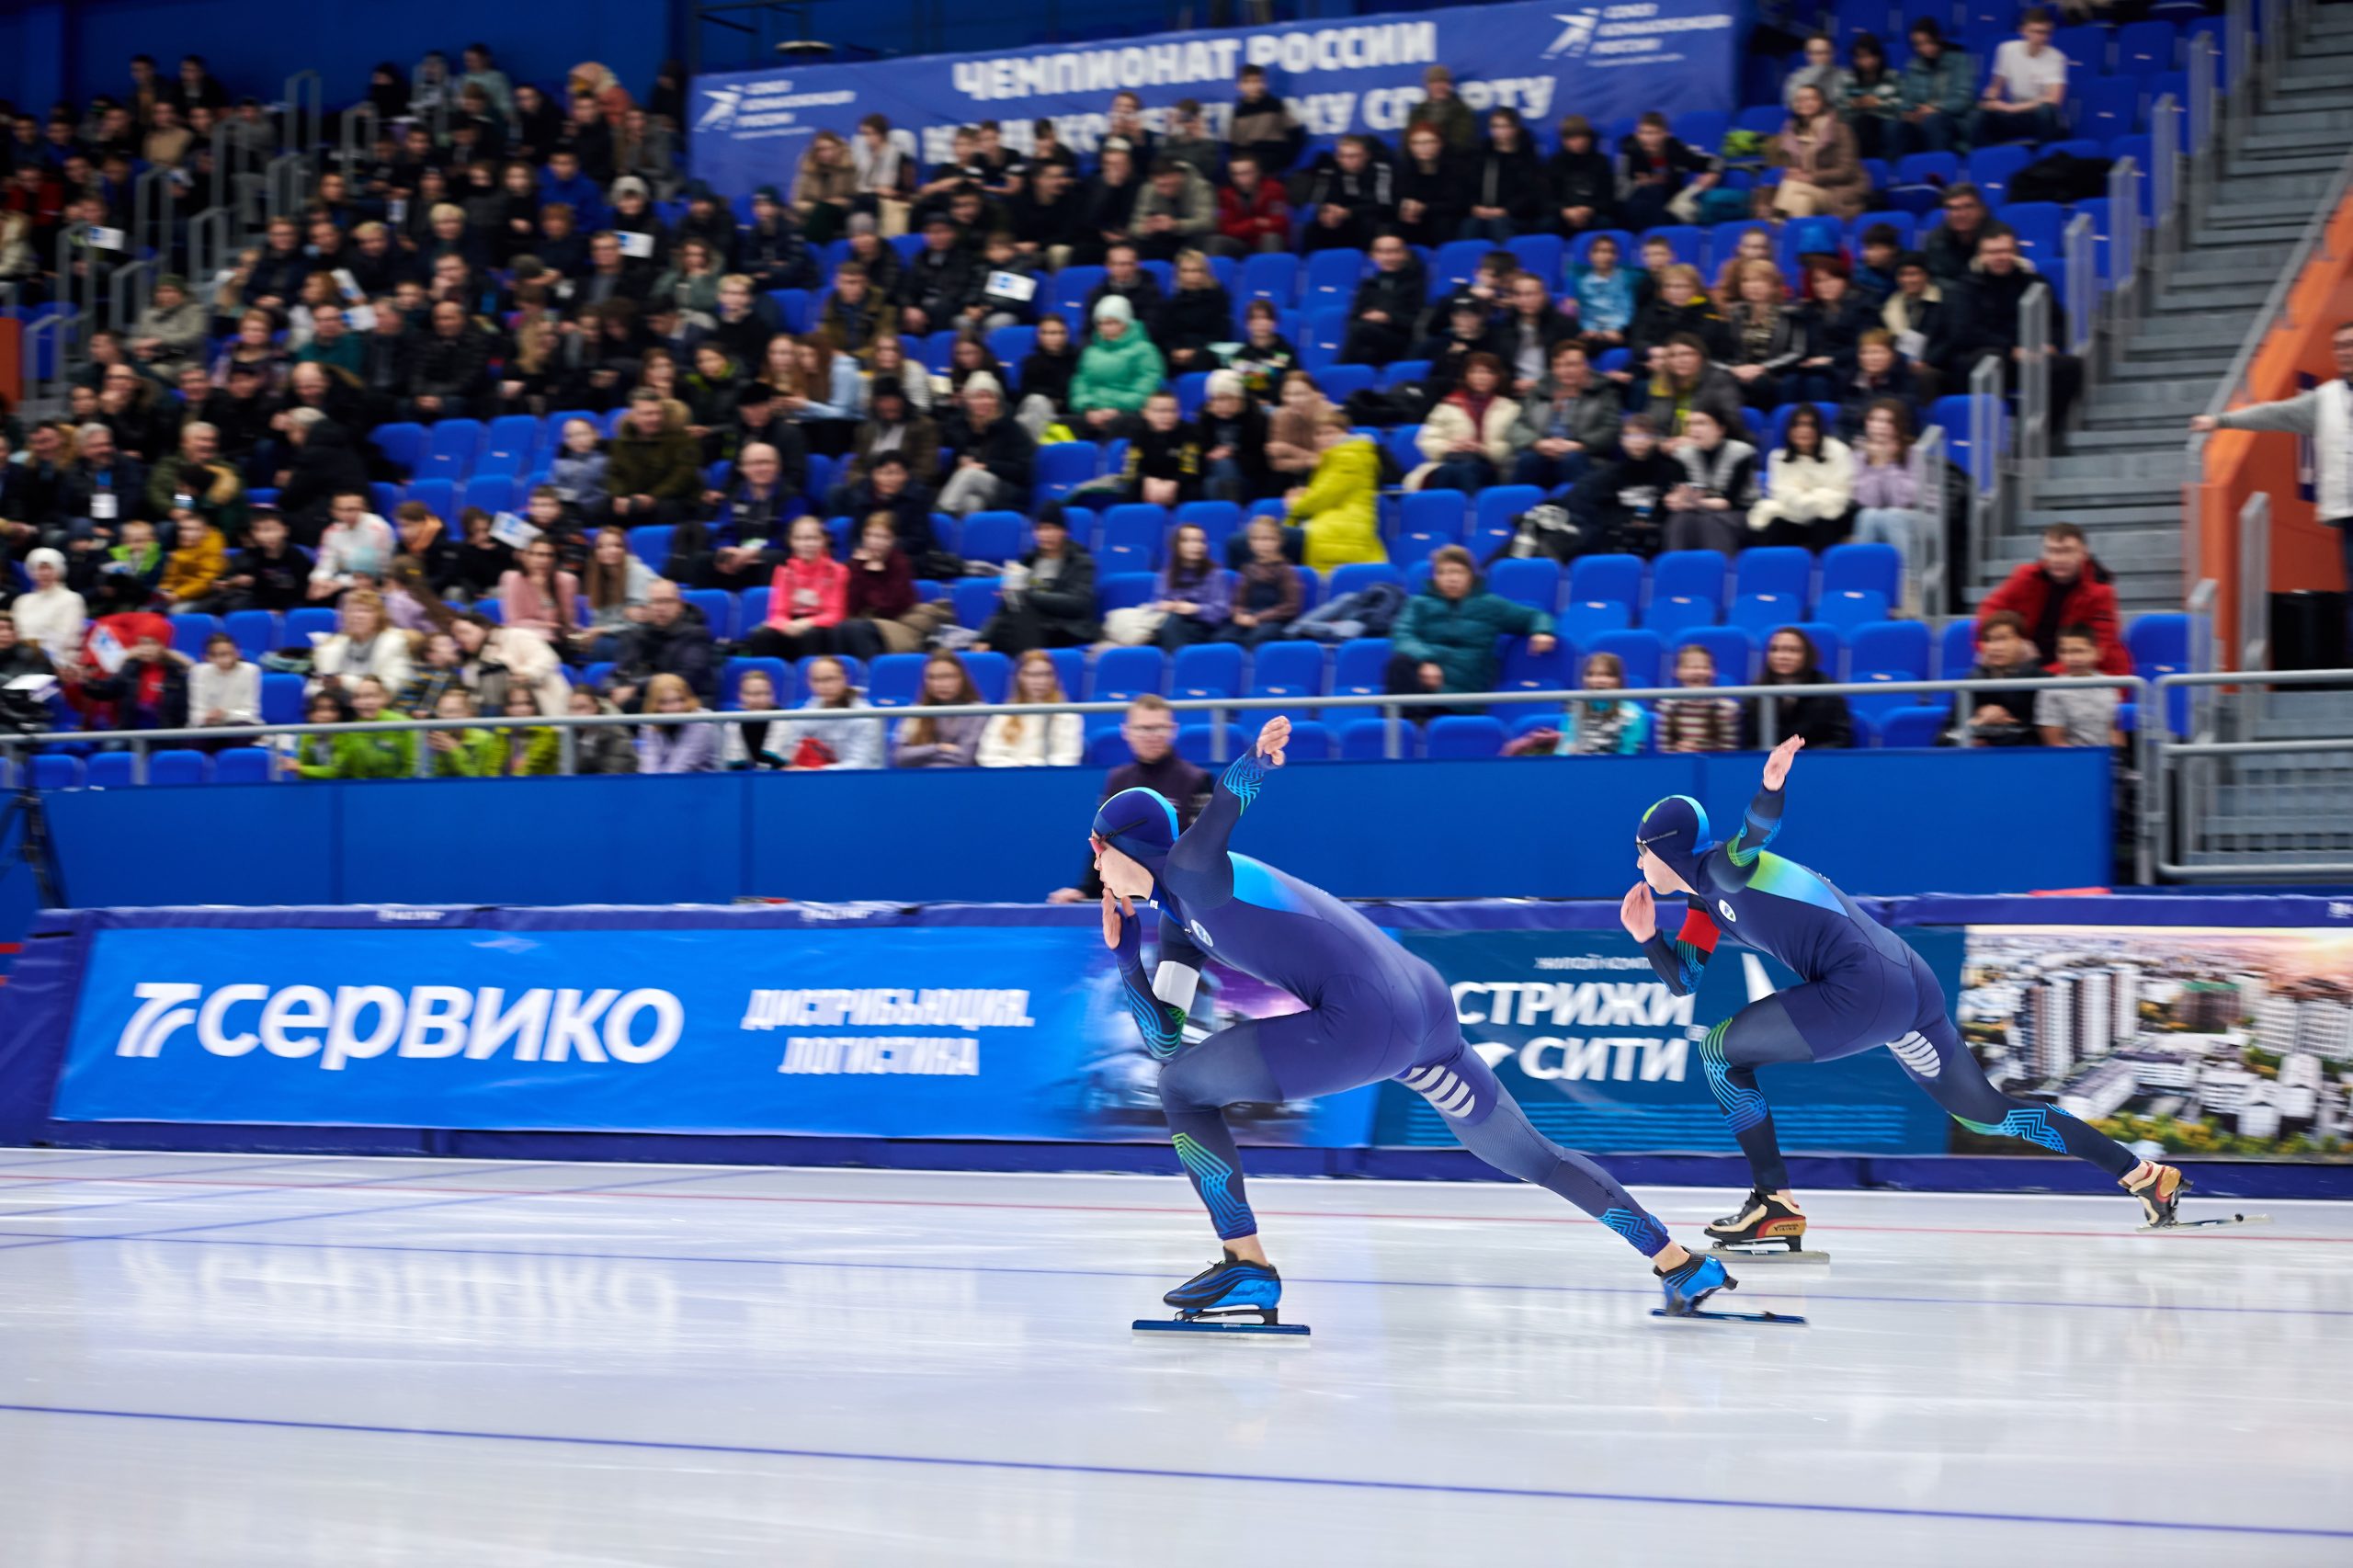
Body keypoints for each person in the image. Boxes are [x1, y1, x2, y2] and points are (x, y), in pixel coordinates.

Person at [1099, 713, 1734, 1325]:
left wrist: (1257, 760)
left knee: (1181, 1090)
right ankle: (1678, 1263)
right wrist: (1127, 956)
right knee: (1533, 1156)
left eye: (1096, 853)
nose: (1095, 868)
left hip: (1361, 1021)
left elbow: (1224, 812)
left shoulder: (1188, 868)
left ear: (1113, 847)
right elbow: (1164, 1037)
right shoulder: (1180, 925)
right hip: (1424, 1011)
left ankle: (1245, 1262)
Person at [1623, 738, 2190, 1256]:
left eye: (1642, 850)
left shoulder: (1724, 866)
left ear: (1667, 851)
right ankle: (2143, 1174)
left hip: (1859, 990)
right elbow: (1684, 981)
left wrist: (1771, 785)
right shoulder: (1703, 902)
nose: (1638, 862)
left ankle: (1774, 1202)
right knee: (1988, 1116)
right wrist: (1649, 939)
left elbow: (1758, 830)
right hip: (1908, 983)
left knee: (1719, 1053)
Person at [2192, 319, 2353, 652]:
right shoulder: (2326, 398)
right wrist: (2222, 421)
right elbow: (2274, 414)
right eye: (2339, 346)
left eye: (2350, 344)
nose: (2344, 352)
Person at [1386, 546, 1556, 706]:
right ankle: (1407, 727)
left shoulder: (1491, 605)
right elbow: (1402, 634)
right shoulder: (1418, 604)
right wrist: (1426, 660)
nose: (1451, 579)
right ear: (1435, 578)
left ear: (1471, 576)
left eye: (1457, 572)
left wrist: (1542, 631)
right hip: (1423, 686)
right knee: (1400, 663)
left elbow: (1536, 616)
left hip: (1465, 692)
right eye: (1442, 573)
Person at [1977, 521, 2131, 674]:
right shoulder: (2025, 577)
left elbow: (2099, 649)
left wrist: (2041, 676)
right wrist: (1995, 648)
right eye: (2051, 551)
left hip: (2086, 672)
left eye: (2067, 551)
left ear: (2084, 554)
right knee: (1978, 678)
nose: (2058, 559)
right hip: (2028, 668)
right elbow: (1988, 611)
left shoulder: (2101, 592)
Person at [976, 506, 1099, 655]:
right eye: (1040, 529)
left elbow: (1078, 603)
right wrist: (984, 637)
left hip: (1064, 629)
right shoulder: (1027, 562)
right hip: (1028, 626)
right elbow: (1005, 607)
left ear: (1065, 532)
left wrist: (1027, 596)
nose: (1046, 534)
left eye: (1052, 528)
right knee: (1004, 623)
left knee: (1013, 620)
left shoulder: (1081, 562)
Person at [1509, 341, 1620, 494]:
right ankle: (1520, 512)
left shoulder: (1604, 392)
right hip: (1543, 450)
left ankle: (1578, 513)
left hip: (1582, 454)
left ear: (1585, 366)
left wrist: (1580, 445)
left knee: (1572, 460)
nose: (1565, 371)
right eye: (1559, 365)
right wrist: (1537, 443)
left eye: (1571, 365)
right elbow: (1518, 426)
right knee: (1529, 460)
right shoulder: (1538, 391)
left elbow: (1611, 429)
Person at [1288, 410, 1386, 573]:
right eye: (1318, 434)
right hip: (1329, 529)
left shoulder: (1349, 457)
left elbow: (1320, 498)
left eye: (1330, 432)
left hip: (1342, 534)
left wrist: (1296, 503)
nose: (1323, 439)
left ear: (1345, 433)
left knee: (1253, 543)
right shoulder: (1330, 460)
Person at [1748, 404, 1854, 551]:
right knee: (1776, 527)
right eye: (1797, 425)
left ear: (1819, 430)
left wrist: (1801, 496)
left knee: (1823, 525)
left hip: (1831, 517)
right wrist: (1817, 495)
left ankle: (1826, 570)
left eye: (1810, 425)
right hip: (1794, 517)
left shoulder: (1838, 451)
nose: (1804, 430)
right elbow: (1781, 496)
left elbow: (1841, 496)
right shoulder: (1778, 457)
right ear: (1789, 430)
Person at [1410, 352, 1517, 494]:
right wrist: (1451, 446)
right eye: (1475, 372)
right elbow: (1427, 439)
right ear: (1466, 376)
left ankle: (1474, 509)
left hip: (1492, 466)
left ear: (1497, 378)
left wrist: (1481, 448)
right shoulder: (1447, 405)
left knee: (1465, 469)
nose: (1480, 377)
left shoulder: (1510, 408)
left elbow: (1513, 444)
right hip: (1450, 460)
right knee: (1449, 470)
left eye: (1487, 372)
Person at [745, 515, 847, 663]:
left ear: (824, 540)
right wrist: (786, 625)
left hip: (819, 627)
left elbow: (835, 614)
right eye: (799, 539)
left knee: (810, 636)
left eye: (812, 538)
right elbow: (777, 613)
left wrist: (806, 623)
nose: (806, 544)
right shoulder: (785, 571)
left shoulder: (838, 571)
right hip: (791, 624)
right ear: (791, 542)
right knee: (762, 636)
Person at [1070, 295, 1165, 438]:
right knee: (1063, 423)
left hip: (1127, 413)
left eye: (1112, 322)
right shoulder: (1090, 352)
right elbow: (1080, 383)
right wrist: (1088, 409)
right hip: (1093, 413)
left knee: (1123, 423)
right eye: (1101, 324)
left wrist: (1116, 409)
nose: (1105, 328)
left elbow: (1146, 387)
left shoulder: (1145, 350)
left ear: (1126, 323)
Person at [1663, 409, 1756, 555]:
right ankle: (1677, 570)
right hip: (1698, 512)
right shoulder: (1682, 455)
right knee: (1679, 521)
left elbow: (1729, 501)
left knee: (1712, 522)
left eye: (1701, 423)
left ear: (1720, 429)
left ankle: (1721, 572)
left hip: (1739, 513)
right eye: (1690, 424)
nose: (1694, 429)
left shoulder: (1742, 453)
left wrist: (1693, 502)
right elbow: (1680, 493)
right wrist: (1674, 500)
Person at [1972, 7, 2067, 147]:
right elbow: (1996, 86)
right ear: (2023, 31)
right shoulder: (2006, 49)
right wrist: (1991, 99)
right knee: (1979, 114)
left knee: (2046, 111)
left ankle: (2044, 156)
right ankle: (1983, 158)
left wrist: (2012, 109)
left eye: (2046, 33)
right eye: (2037, 32)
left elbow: (2054, 100)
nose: (2043, 38)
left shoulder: (2057, 57)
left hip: (2037, 116)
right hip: (2014, 114)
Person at [1744, 628, 1851, 749]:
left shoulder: (1828, 691)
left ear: (1807, 655)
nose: (1782, 656)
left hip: (1817, 763)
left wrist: (1799, 754)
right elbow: (1747, 744)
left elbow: (1841, 741)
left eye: (1793, 650)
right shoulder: (1756, 692)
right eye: (1774, 649)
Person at [773, 654, 884, 770]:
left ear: (844, 679)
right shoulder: (805, 714)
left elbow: (860, 765)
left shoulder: (865, 716)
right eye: (816, 680)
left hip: (861, 781)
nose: (823, 686)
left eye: (830, 679)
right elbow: (789, 751)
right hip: (815, 780)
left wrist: (815, 771)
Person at [1773, 85, 1866, 221]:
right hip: (1804, 192)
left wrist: (1812, 177)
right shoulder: (1791, 133)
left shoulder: (1841, 130)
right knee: (1801, 200)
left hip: (1837, 192)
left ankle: (1778, 219)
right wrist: (1792, 172)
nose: (1805, 103)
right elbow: (1791, 170)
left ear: (1822, 102)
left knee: (1792, 185)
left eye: (1811, 98)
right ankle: (1800, 238)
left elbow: (1847, 171)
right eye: (1801, 100)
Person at [1957, 610, 2048, 745]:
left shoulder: (2043, 681)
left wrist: (2009, 720)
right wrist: (1977, 721)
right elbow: (1947, 735)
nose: (1995, 647)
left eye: (2004, 639)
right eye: (1989, 640)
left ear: (2022, 642)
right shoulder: (1971, 682)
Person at [979, 650, 1083, 767]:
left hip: (1052, 779)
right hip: (1009, 778)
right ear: (1019, 677)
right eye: (1032, 675)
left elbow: (1068, 758)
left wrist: (1033, 766)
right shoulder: (1003, 714)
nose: (1041, 681)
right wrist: (1021, 768)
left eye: (1047, 674)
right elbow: (988, 757)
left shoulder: (1068, 715)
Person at [1339, 232, 1428, 369]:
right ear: (1374, 256)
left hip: (1400, 339)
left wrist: (1388, 318)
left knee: (1360, 332)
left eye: (1393, 251)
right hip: (1369, 337)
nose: (1388, 257)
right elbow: (1353, 318)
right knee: (1361, 343)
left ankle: (1338, 369)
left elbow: (1418, 322)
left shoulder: (1415, 282)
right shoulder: (1368, 284)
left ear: (1404, 254)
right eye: (1382, 252)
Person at [1893, 19, 1974, 157]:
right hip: (1921, 122)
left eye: (1928, 42)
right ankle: (1900, 173)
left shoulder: (1959, 61)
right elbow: (1906, 103)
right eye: (1918, 44)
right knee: (1897, 127)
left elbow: (1963, 99)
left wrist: (1935, 108)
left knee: (1933, 121)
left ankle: (1939, 169)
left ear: (1938, 38)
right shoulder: (1913, 66)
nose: (1924, 48)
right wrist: (1909, 114)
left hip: (1953, 121)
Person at [311, 588, 414, 696]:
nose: (357, 616)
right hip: (338, 708)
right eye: (352, 610)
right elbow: (315, 686)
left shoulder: (395, 643)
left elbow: (392, 686)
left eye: (366, 611)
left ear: (379, 616)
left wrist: (345, 682)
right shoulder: (329, 647)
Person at [2037, 623, 2125, 747]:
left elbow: (2115, 732)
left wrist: (2116, 760)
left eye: (2079, 651)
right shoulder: (2051, 690)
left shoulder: (2110, 685)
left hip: (2107, 759)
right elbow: (2055, 742)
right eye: (2065, 652)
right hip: (2072, 761)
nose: (2073, 658)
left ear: (2097, 653)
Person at [1221, 517, 1304, 648]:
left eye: (1269, 539)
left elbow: (1290, 606)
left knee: (1257, 638)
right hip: (1249, 617)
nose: (1263, 544)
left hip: (1275, 620)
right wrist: (1239, 615)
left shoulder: (1286, 570)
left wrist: (1259, 618)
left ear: (1279, 542)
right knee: (1223, 637)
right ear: (1251, 543)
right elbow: (1238, 601)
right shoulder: (1247, 569)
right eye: (1258, 539)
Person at [892, 652, 986, 767]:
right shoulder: (916, 711)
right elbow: (900, 757)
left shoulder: (978, 712)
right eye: (932, 677)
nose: (940, 684)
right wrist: (939, 748)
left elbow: (964, 759)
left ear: (962, 678)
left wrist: (921, 755)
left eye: (947, 676)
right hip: (919, 779)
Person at [1150, 522, 1231, 652]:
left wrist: (1195, 609)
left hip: (1204, 629)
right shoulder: (1167, 574)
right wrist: (1164, 606)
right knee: (1169, 624)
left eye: (1200, 541)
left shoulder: (1214, 573)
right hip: (1174, 625)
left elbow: (1221, 612)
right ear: (1177, 545)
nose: (1196, 546)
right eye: (1189, 541)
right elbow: (1154, 605)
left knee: (1171, 625)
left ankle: (1179, 665)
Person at [1655, 643, 1740, 752]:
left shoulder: (1727, 709)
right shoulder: (1666, 706)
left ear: (1714, 673)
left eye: (1705, 667)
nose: (1698, 672)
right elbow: (1663, 752)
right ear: (1676, 672)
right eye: (1690, 667)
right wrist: (1677, 751)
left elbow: (1730, 753)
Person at [1392, 124, 1465, 250]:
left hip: (1446, 220)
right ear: (1410, 147)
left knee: (1443, 223)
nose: (1423, 147)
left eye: (1429, 142)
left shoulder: (1455, 168)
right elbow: (1396, 198)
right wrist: (1405, 207)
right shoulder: (1403, 170)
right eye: (1417, 143)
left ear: (1440, 144)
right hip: (1415, 221)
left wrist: (1425, 207)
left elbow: (1458, 203)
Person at [497, 537, 580, 645]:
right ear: (525, 557)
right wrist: (543, 625)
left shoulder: (566, 581)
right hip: (522, 636)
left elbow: (560, 622)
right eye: (538, 554)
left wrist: (543, 591)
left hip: (554, 639)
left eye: (549, 555)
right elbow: (513, 620)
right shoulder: (512, 579)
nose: (544, 560)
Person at [632, 671, 717, 772]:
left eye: (679, 700)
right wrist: (650, 784)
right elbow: (648, 764)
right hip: (664, 783)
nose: (673, 708)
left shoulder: (702, 724)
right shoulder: (650, 722)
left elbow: (679, 767)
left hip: (701, 784)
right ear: (654, 704)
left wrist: (655, 784)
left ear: (688, 698)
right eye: (664, 702)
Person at [1212, 153, 1290, 257]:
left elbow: (1279, 225)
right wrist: (1255, 222)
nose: (1241, 178)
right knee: (1216, 241)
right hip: (1238, 244)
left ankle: (1270, 272)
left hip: (1265, 242)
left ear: (1258, 172)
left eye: (1246, 173)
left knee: (1271, 238)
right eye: (1236, 174)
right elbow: (1225, 229)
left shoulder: (1274, 189)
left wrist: (1241, 227)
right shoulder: (1225, 194)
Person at [718, 667, 787, 770]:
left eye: (764, 693)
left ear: (772, 695)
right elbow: (736, 766)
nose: (757, 700)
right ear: (740, 696)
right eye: (750, 694)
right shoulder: (734, 725)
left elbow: (774, 763)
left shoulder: (784, 719)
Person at [188, 631, 259, 729]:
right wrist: (206, 717)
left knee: (240, 732)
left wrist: (225, 714)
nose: (222, 659)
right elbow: (195, 714)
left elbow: (251, 713)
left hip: (239, 724)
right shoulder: (198, 671)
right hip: (208, 725)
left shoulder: (250, 671)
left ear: (237, 653)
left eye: (226, 654)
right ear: (208, 657)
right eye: (215, 655)